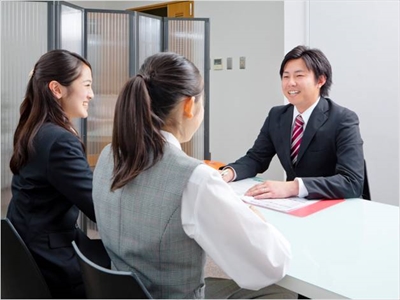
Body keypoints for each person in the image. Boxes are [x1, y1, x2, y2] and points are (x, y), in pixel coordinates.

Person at [92, 52, 296, 299]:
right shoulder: (194, 179)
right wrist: (256, 219)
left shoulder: (107, 156)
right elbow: (271, 265)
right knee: (279, 292)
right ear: (189, 105)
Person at [221, 45, 365, 200]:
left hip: (333, 206)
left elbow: (352, 182)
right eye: (286, 76)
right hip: (294, 205)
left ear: (321, 80)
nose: (291, 83)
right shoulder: (277, 115)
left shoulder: (343, 119)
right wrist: (227, 173)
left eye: (299, 76)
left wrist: (294, 187)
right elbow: (256, 158)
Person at [7, 49, 96, 298]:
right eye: (86, 85)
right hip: (51, 261)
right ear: (57, 89)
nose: (91, 94)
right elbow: (97, 207)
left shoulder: (34, 129)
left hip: (29, 248)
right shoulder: (59, 141)